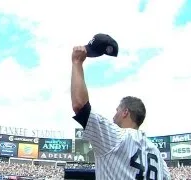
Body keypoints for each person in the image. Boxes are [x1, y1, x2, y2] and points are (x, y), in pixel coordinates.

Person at [70, 46, 171, 180]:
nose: (114, 115)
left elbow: (80, 106)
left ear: (125, 112)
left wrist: (77, 61)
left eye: (117, 110)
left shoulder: (117, 137)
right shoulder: (157, 154)